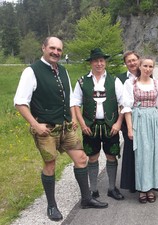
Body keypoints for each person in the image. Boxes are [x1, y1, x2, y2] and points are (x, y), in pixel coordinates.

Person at [13, 37, 108, 221]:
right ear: (43, 48)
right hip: (46, 128)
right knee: (50, 163)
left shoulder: (62, 70)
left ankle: (86, 199)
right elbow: (20, 102)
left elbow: (71, 98)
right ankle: (51, 205)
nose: (56, 52)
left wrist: (73, 118)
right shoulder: (31, 71)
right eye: (52, 48)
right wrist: (35, 125)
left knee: (81, 158)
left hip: (66, 126)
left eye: (59, 49)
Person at [72, 48, 125, 201]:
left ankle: (111, 188)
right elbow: (75, 104)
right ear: (91, 63)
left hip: (110, 126)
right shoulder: (82, 81)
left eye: (101, 60)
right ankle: (93, 190)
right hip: (90, 126)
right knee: (92, 157)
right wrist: (82, 124)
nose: (99, 63)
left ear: (105, 62)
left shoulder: (114, 81)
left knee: (111, 156)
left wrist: (118, 123)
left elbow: (124, 104)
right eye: (96, 60)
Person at [122, 56, 158, 203]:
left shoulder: (157, 83)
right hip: (138, 121)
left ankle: (151, 188)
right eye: (145, 66)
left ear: (153, 68)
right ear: (139, 67)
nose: (147, 69)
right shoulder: (130, 83)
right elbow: (127, 108)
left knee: (154, 155)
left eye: (150, 66)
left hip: (154, 121)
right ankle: (142, 189)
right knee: (141, 156)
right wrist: (129, 129)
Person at [117, 51, 140, 193]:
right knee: (130, 150)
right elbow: (121, 102)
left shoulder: (146, 73)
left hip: (144, 119)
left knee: (144, 151)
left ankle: (144, 181)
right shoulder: (120, 79)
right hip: (128, 118)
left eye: (134, 60)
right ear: (125, 63)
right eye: (129, 61)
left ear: (138, 60)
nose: (132, 63)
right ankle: (131, 183)